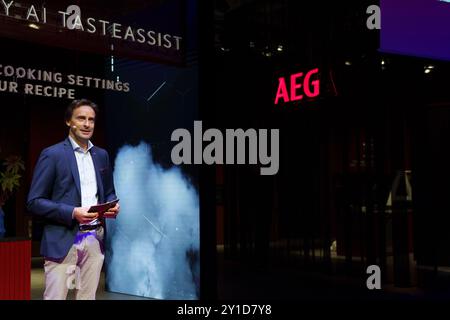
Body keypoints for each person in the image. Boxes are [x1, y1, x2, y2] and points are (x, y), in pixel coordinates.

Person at [27, 99, 120, 300]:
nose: (87, 124)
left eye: (91, 120)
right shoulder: (52, 154)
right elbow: (34, 201)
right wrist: (72, 212)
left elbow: (109, 192)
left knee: (87, 298)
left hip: (94, 238)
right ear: (69, 121)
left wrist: (112, 204)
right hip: (63, 239)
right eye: (81, 118)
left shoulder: (101, 155)